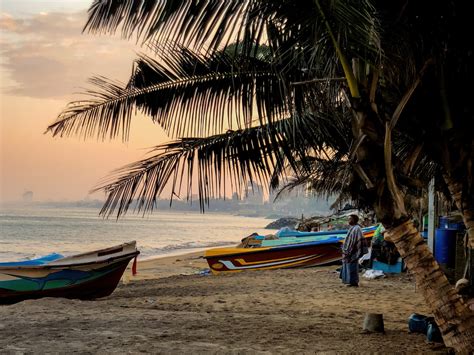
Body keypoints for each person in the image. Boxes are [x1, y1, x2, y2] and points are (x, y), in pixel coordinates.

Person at [340, 214, 368, 287]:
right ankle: (349, 281)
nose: (349, 220)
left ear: (354, 220)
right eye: (348, 219)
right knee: (348, 266)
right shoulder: (352, 228)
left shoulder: (357, 228)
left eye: (350, 219)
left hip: (353, 251)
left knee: (352, 267)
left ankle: (354, 282)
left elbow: (358, 240)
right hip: (348, 251)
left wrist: (352, 249)